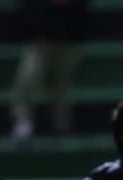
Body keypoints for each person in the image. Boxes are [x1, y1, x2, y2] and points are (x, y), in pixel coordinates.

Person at [10, 0, 89, 139]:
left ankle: (62, 126)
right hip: (40, 39)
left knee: (61, 88)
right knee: (28, 80)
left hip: (68, 39)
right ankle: (23, 122)